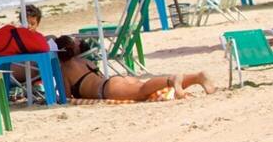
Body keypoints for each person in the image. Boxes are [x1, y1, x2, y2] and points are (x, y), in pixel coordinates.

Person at [54, 36, 214, 102]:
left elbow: (67, 97)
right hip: (111, 82)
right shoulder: (83, 61)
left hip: (106, 90)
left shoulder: (64, 69)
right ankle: (197, 77)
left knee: (142, 91)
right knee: (148, 90)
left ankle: (171, 79)